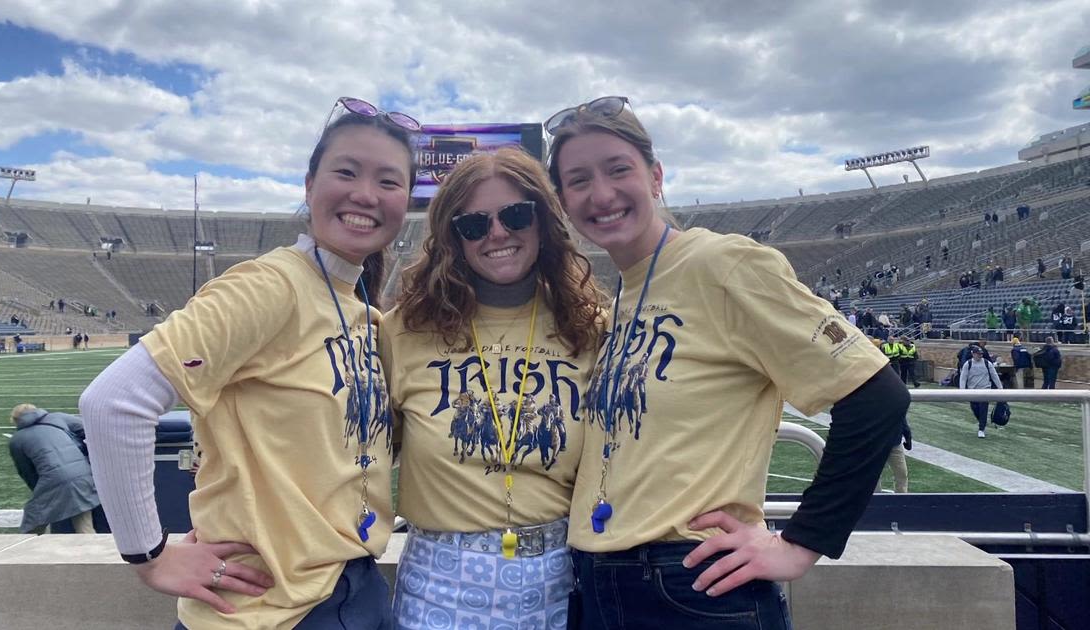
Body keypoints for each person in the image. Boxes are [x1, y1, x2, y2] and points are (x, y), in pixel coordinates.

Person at [545, 96, 909, 629]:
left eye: (617, 169)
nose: (601, 193)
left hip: (691, 585)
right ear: (563, 200)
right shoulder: (622, 300)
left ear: (655, 176)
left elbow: (877, 396)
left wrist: (801, 542)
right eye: (578, 180)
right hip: (601, 582)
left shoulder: (723, 263)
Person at [79, 97, 420, 629]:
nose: (365, 194)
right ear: (309, 186)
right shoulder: (273, 284)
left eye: (388, 181)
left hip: (348, 586)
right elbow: (113, 402)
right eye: (346, 172)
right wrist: (149, 556)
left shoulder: (357, 310)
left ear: (406, 200)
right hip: (267, 613)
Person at [382, 148, 604, 629]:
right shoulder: (402, 330)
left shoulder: (589, 329)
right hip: (438, 582)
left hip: (561, 581)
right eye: (474, 225)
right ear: (452, 238)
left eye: (516, 215)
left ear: (543, 221)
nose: (498, 233)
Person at [7, 404, 99, 534]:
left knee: (33, 521)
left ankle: (29, 546)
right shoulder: (59, 418)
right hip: (84, 474)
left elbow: (27, 473)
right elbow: (91, 431)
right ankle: (92, 549)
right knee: (83, 522)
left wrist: (39, 491)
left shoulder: (17, 440)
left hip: (53, 480)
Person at [959, 345, 1002, 438]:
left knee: (983, 409)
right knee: (975, 409)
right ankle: (982, 423)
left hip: (985, 390)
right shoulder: (968, 364)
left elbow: (994, 375)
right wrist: (962, 390)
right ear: (973, 354)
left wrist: (1000, 388)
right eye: (978, 354)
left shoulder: (987, 363)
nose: (980, 356)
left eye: (981, 354)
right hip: (972, 391)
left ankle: (981, 429)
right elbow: (963, 378)